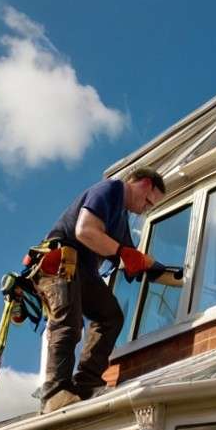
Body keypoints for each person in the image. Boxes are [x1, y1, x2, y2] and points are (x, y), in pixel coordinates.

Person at [35, 166, 176, 413]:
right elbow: (85, 231)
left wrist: (157, 269)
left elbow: (133, 256)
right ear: (144, 184)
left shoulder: (120, 218)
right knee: (68, 322)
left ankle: (86, 384)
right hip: (60, 263)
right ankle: (54, 393)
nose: (147, 209)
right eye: (149, 202)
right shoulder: (110, 189)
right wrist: (123, 253)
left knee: (110, 316)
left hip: (83, 272)